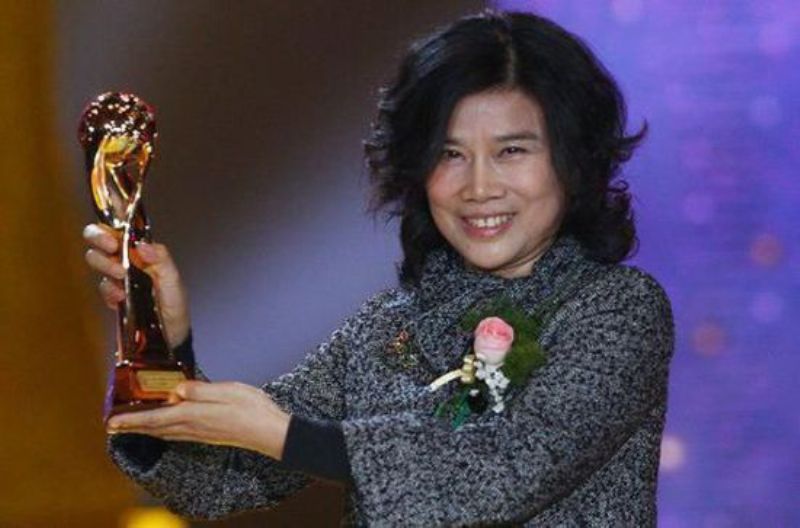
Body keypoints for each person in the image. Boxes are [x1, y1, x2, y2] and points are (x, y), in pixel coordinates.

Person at [83, 10, 674, 526]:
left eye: (511, 151)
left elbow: (505, 466)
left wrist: (286, 435)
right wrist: (159, 342)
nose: (479, 186)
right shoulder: (385, 330)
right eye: (449, 154)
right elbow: (220, 480)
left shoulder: (618, 309)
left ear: (574, 162)